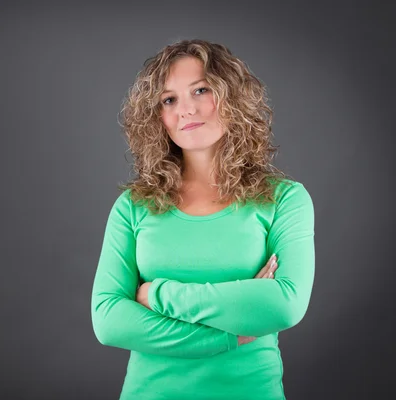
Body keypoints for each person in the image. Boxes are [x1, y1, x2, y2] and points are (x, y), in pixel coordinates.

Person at [90, 39, 315, 400]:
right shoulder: (133, 205)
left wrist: (157, 294)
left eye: (201, 90)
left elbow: (283, 304)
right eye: (169, 99)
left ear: (233, 98)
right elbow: (108, 321)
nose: (186, 110)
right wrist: (229, 336)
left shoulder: (284, 199)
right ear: (156, 116)